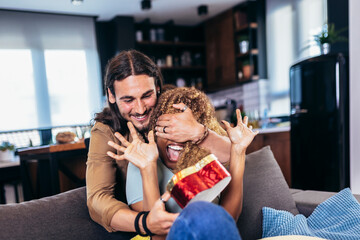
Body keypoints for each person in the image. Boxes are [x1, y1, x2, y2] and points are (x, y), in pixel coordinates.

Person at [86, 50, 231, 235]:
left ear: (157, 87)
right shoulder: (105, 130)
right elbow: (97, 199)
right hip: (144, 220)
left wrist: (198, 132)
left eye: (147, 95)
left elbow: (232, 154)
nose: (140, 109)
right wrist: (146, 223)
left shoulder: (175, 104)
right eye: (128, 100)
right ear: (111, 95)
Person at [112, 87, 258, 239]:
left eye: (183, 131)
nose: (177, 138)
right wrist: (148, 168)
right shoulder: (139, 163)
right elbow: (157, 234)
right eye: (168, 128)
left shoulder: (205, 161)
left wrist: (238, 152)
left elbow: (228, 219)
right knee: (200, 212)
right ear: (155, 129)